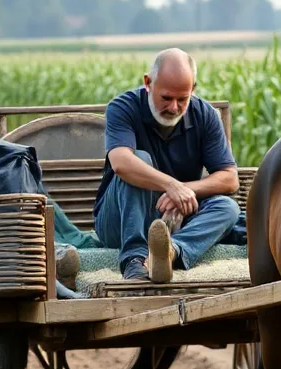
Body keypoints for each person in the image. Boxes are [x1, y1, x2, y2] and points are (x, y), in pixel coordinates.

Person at [94, 48, 240, 282]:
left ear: (193, 89)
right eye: (166, 98)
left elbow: (229, 178)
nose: (174, 107)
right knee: (137, 161)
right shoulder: (122, 108)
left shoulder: (206, 115)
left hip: (175, 219)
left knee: (228, 208)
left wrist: (184, 190)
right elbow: (121, 163)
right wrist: (171, 186)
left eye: (182, 99)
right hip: (119, 219)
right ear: (148, 83)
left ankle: (170, 252)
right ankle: (134, 260)